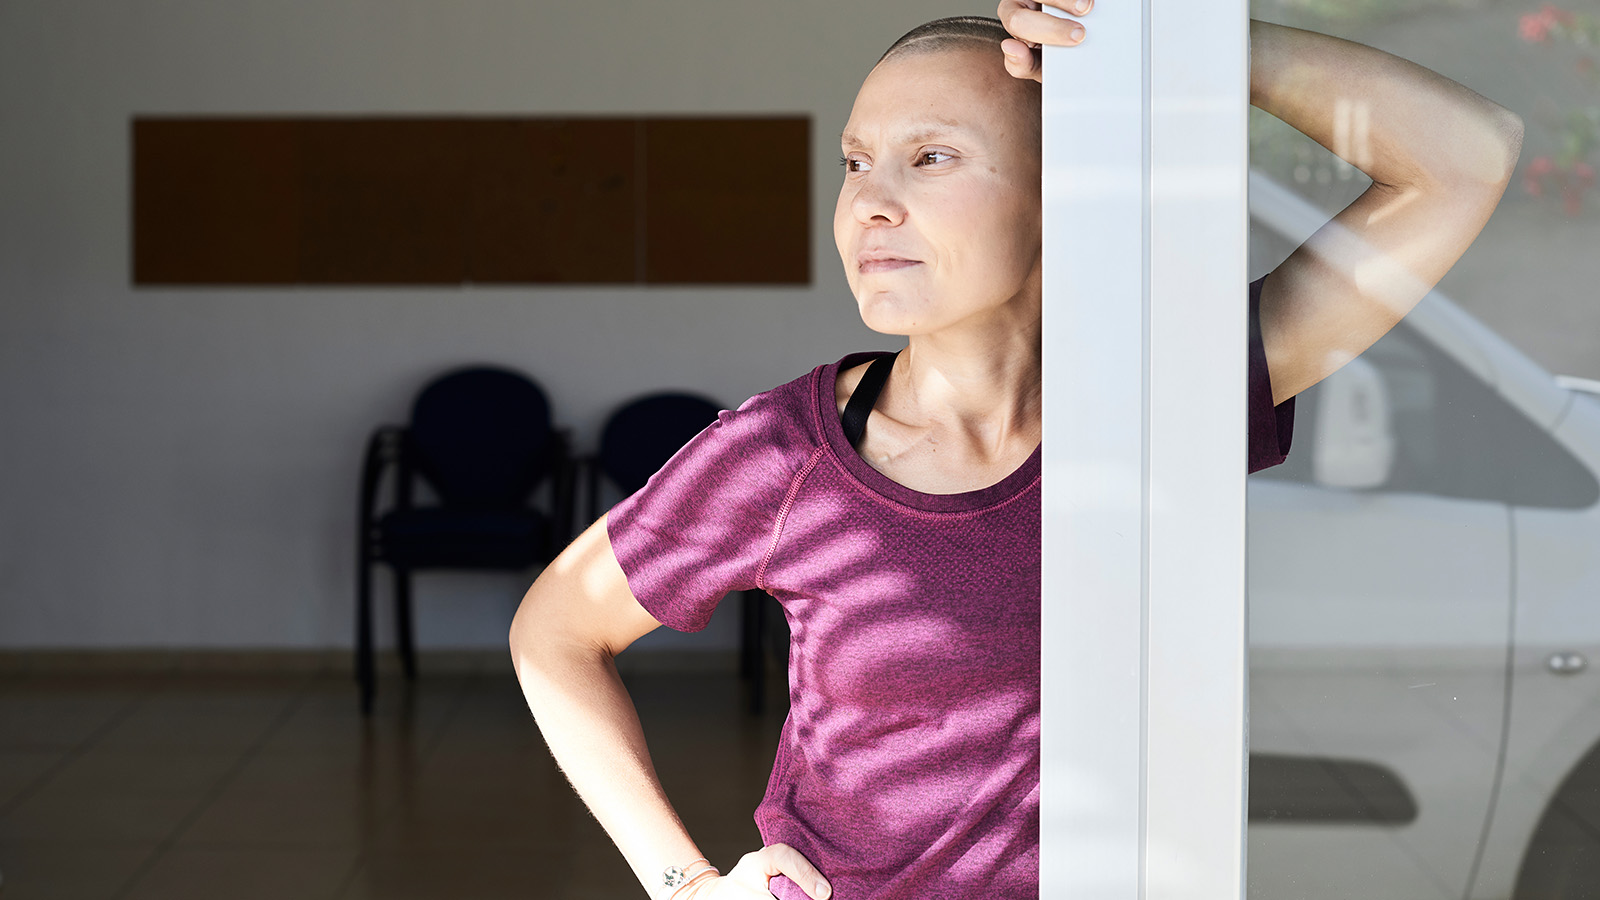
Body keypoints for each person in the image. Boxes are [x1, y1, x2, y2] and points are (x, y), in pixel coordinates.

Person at [509, 4, 1523, 898]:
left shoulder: (1164, 400)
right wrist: (683, 883)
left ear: (1057, 187)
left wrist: (1165, 43)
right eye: (857, 162)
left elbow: (1466, 154)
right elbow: (555, 630)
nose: (870, 203)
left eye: (932, 157)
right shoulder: (784, 455)